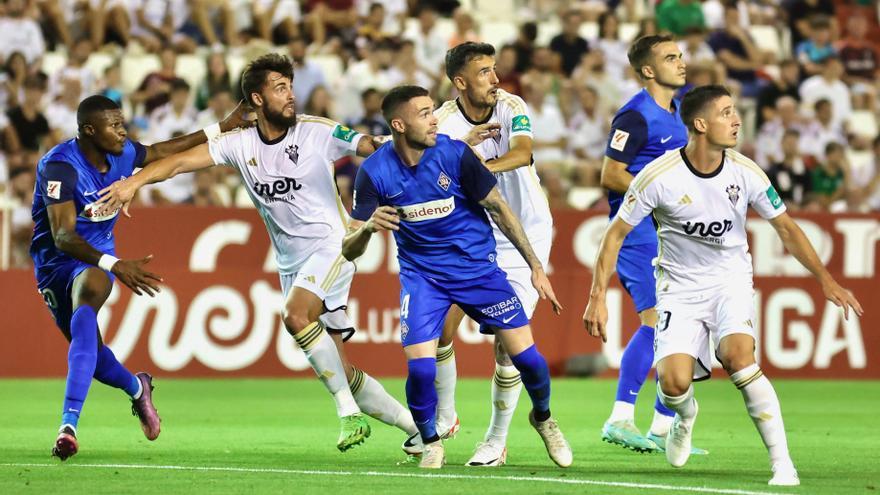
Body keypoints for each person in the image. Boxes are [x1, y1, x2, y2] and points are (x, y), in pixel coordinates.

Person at [93, 53, 420, 455]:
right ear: (258, 98)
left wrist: (416, 141)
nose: (291, 95)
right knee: (341, 368)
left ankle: (347, 413)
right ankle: (419, 431)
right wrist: (134, 183)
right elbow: (177, 163)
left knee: (295, 316)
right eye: (280, 88)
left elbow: (369, 145)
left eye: (290, 86)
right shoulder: (240, 143)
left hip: (332, 245)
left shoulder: (316, 131)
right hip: (290, 262)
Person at [583, 84, 863, 486]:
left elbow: (785, 227)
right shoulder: (657, 176)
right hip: (678, 287)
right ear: (700, 124)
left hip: (729, 281)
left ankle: (783, 464)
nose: (736, 120)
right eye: (726, 113)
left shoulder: (745, 171)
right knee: (673, 384)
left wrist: (826, 280)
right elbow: (614, 235)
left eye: (735, 112)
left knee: (738, 357)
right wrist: (597, 297)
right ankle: (685, 416)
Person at [342, 85, 572, 470]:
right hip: (423, 279)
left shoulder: (454, 154)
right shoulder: (374, 172)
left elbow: (499, 207)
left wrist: (534, 266)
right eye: (424, 113)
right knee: (420, 369)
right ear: (399, 125)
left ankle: (543, 418)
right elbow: (348, 248)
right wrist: (366, 229)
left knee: (529, 360)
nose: (434, 120)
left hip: (477, 271)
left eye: (433, 111)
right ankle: (432, 442)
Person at [31, 94, 251, 461]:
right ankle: (137, 387)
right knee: (94, 356)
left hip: (95, 261)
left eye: (122, 123)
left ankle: (68, 426)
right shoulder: (60, 167)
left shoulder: (121, 154)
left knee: (85, 313)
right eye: (114, 125)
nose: (123, 131)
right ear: (89, 130)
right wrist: (116, 264)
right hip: (55, 264)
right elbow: (63, 237)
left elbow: (162, 151)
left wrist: (222, 127)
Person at [430, 42, 553, 467]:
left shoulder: (511, 106)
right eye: (484, 72)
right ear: (460, 82)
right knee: (440, 327)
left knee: (507, 344)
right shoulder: (444, 122)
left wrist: (472, 169)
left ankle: (496, 441)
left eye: (494, 69)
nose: (495, 79)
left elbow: (521, 153)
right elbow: (431, 170)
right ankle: (446, 416)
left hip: (525, 233)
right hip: (476, 235)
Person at [596, 34, 706, 455]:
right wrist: (663, 198)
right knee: (656, 320)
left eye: (680, 56)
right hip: (637, 231)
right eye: (670, 57)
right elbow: (611, 174)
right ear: (647, 70)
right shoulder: (636, 116)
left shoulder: (677, 114)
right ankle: (620, 417)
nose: (681, 62)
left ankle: (662, 427)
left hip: (668, 232)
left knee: (680, 325)